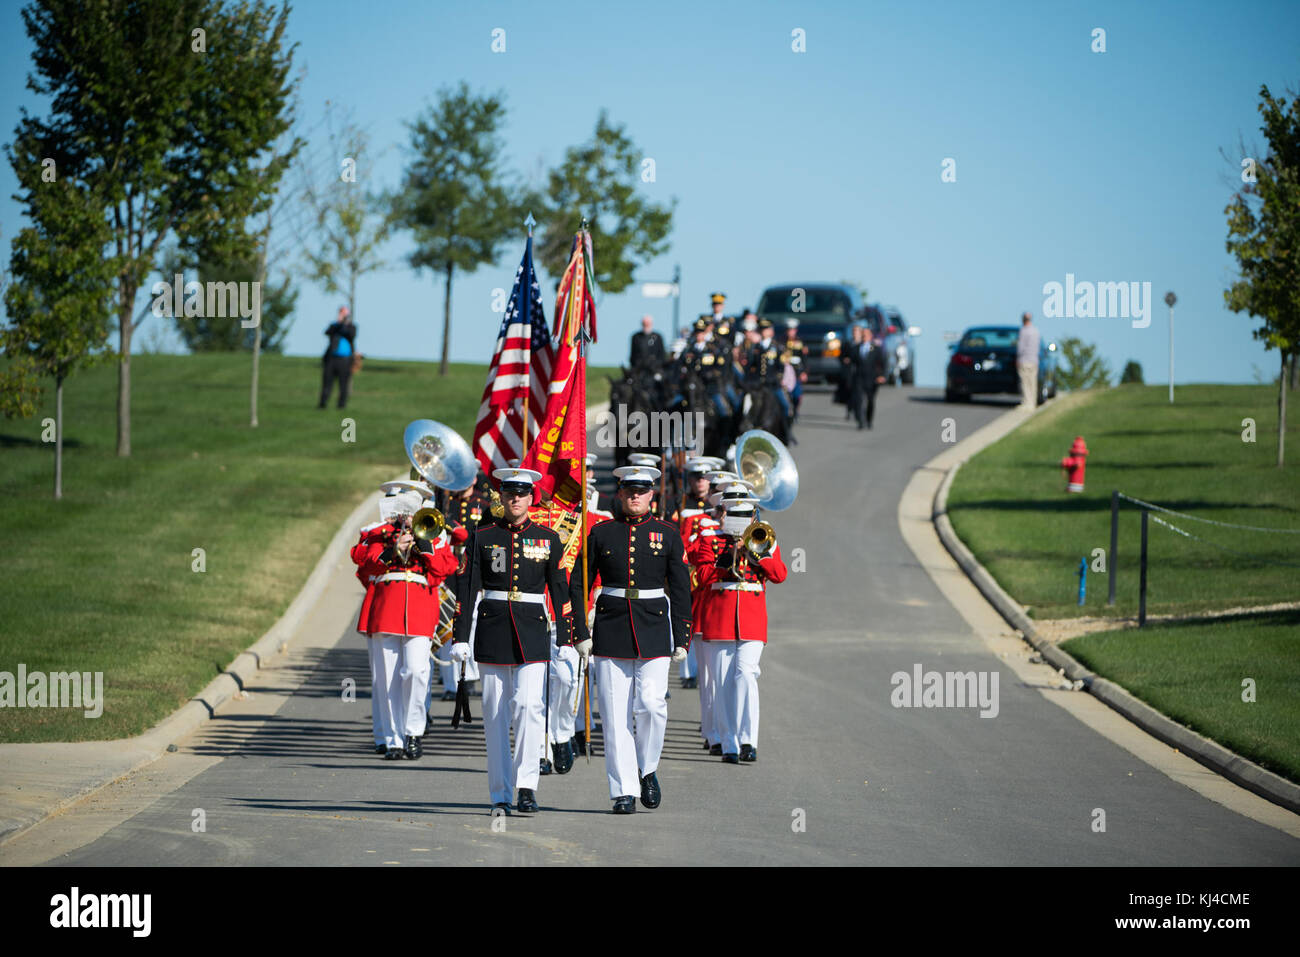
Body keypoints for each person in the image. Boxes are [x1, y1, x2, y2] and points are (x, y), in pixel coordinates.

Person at [570, 465, 692, 814]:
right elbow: (579, 582)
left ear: (652, 495)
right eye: (628, 491)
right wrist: (580, 629)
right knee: (613, 713)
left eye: (641, 491)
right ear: (619, 494)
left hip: (654, 626)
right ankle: (623, 789)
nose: (635, 496)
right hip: (611, 626)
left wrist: (682, 635)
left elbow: (681, 588)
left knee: (652, 705)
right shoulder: (602, 533)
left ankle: (647, 768)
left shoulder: (667, 533)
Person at [451, 468, 573, 815]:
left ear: (532, 498)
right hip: (492, 630)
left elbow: (560, 588)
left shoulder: (548, 538)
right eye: (509, 493)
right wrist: (462, 636)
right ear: (501, 498)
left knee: (529, 708)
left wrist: (565, 635)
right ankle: (500, 793)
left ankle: (526, 786)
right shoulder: (483, 535)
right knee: (495, 713)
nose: (515, 499)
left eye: (521, 493)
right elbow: (468, 587)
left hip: (533, 630)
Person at [354, 489, 459, 760]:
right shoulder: (379, 533)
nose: (407, 516)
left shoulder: (434, 534)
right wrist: (393, 549)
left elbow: (444, 569)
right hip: (386, 608)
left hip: (420, 609)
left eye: (412, 509)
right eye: (402, 509)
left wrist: (424, 544)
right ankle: (393, 740)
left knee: (416, 671)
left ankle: (413, 730)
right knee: (387, 679)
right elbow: (364, 564)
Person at [689, 486, 787, 763]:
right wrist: (727, 555)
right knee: (721, 682)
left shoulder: (765, 539)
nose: (741, 518)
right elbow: (703, 576)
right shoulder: (712, 539)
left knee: (746, 674)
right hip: (719, 615)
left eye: (747, 514)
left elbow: (780, 575)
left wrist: (759, 555)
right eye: (735, 514)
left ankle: (748, 740)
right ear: (724, 514)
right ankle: (729, 743)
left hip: (752, 617)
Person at [850, 325, 886, 430]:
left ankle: (869, 420)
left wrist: (881, 376)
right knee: (859, 400)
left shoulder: (876, 349)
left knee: (870, 400)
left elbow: (882, 363)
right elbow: (851, 362)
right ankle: (861, 421)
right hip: (859, 378)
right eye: (862, 334)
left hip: (872, 379)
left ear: (870, 336)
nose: (864, 336)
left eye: (866, 334)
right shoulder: (856, 348)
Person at [320, 306, 356, 409]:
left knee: (343, 384)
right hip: (331, 359)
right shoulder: (334, 326)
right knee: (327, 382)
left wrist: (344, 324)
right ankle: (323, 403)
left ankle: (341, 405)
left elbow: (350, 335)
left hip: (345, 360)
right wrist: (339, 323)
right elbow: (327, 332)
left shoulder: (351, 327)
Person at [628, 315, 665, 380]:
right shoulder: (636, 337)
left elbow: (661, 355)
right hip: (639, 368)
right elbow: (632, 355)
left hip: (654, 368)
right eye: (644, 324)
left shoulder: (657, 337)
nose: (646, 326)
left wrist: (655, 364)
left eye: (648, 324)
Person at [1016, 311, 1040, 409]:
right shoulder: (1036, 331)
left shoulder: (1024, 331)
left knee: (1025, 382)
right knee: (1032, 382)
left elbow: (1021, 347)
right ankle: (1033, 402)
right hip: (1034, 360)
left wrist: (1018, 358)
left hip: (1025, 360)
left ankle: (1027, 402)